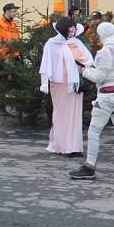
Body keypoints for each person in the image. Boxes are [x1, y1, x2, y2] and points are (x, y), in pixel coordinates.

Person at [68, 22, 114, 180]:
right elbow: (110, 72)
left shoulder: (103, 52)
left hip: (106, 96)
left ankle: (90, 167)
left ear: (100, 35)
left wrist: (84, 70)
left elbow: (100, 77)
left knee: (94, 131)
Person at [39, 18, 94, 157]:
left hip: (74, 84)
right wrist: (44, 82)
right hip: (59, 84)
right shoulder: (51, 44)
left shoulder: (76, 42)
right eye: (70, 28)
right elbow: (46, 64)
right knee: (61, 114)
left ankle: (74, 146)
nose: (72, 30)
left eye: (74, 27)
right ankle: (62, 145)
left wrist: (85, 65)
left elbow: (87, 59)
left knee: (75, 115)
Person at [0, 2, 21, 115]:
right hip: (4, 57)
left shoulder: (13, 23)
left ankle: (19, 105)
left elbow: (17, 37)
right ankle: (1, 107)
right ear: (7, 11)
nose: (15, 13)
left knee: (18, 80)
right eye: (14, 11)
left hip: (15, 55)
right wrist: (4, 55)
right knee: (3, 81)